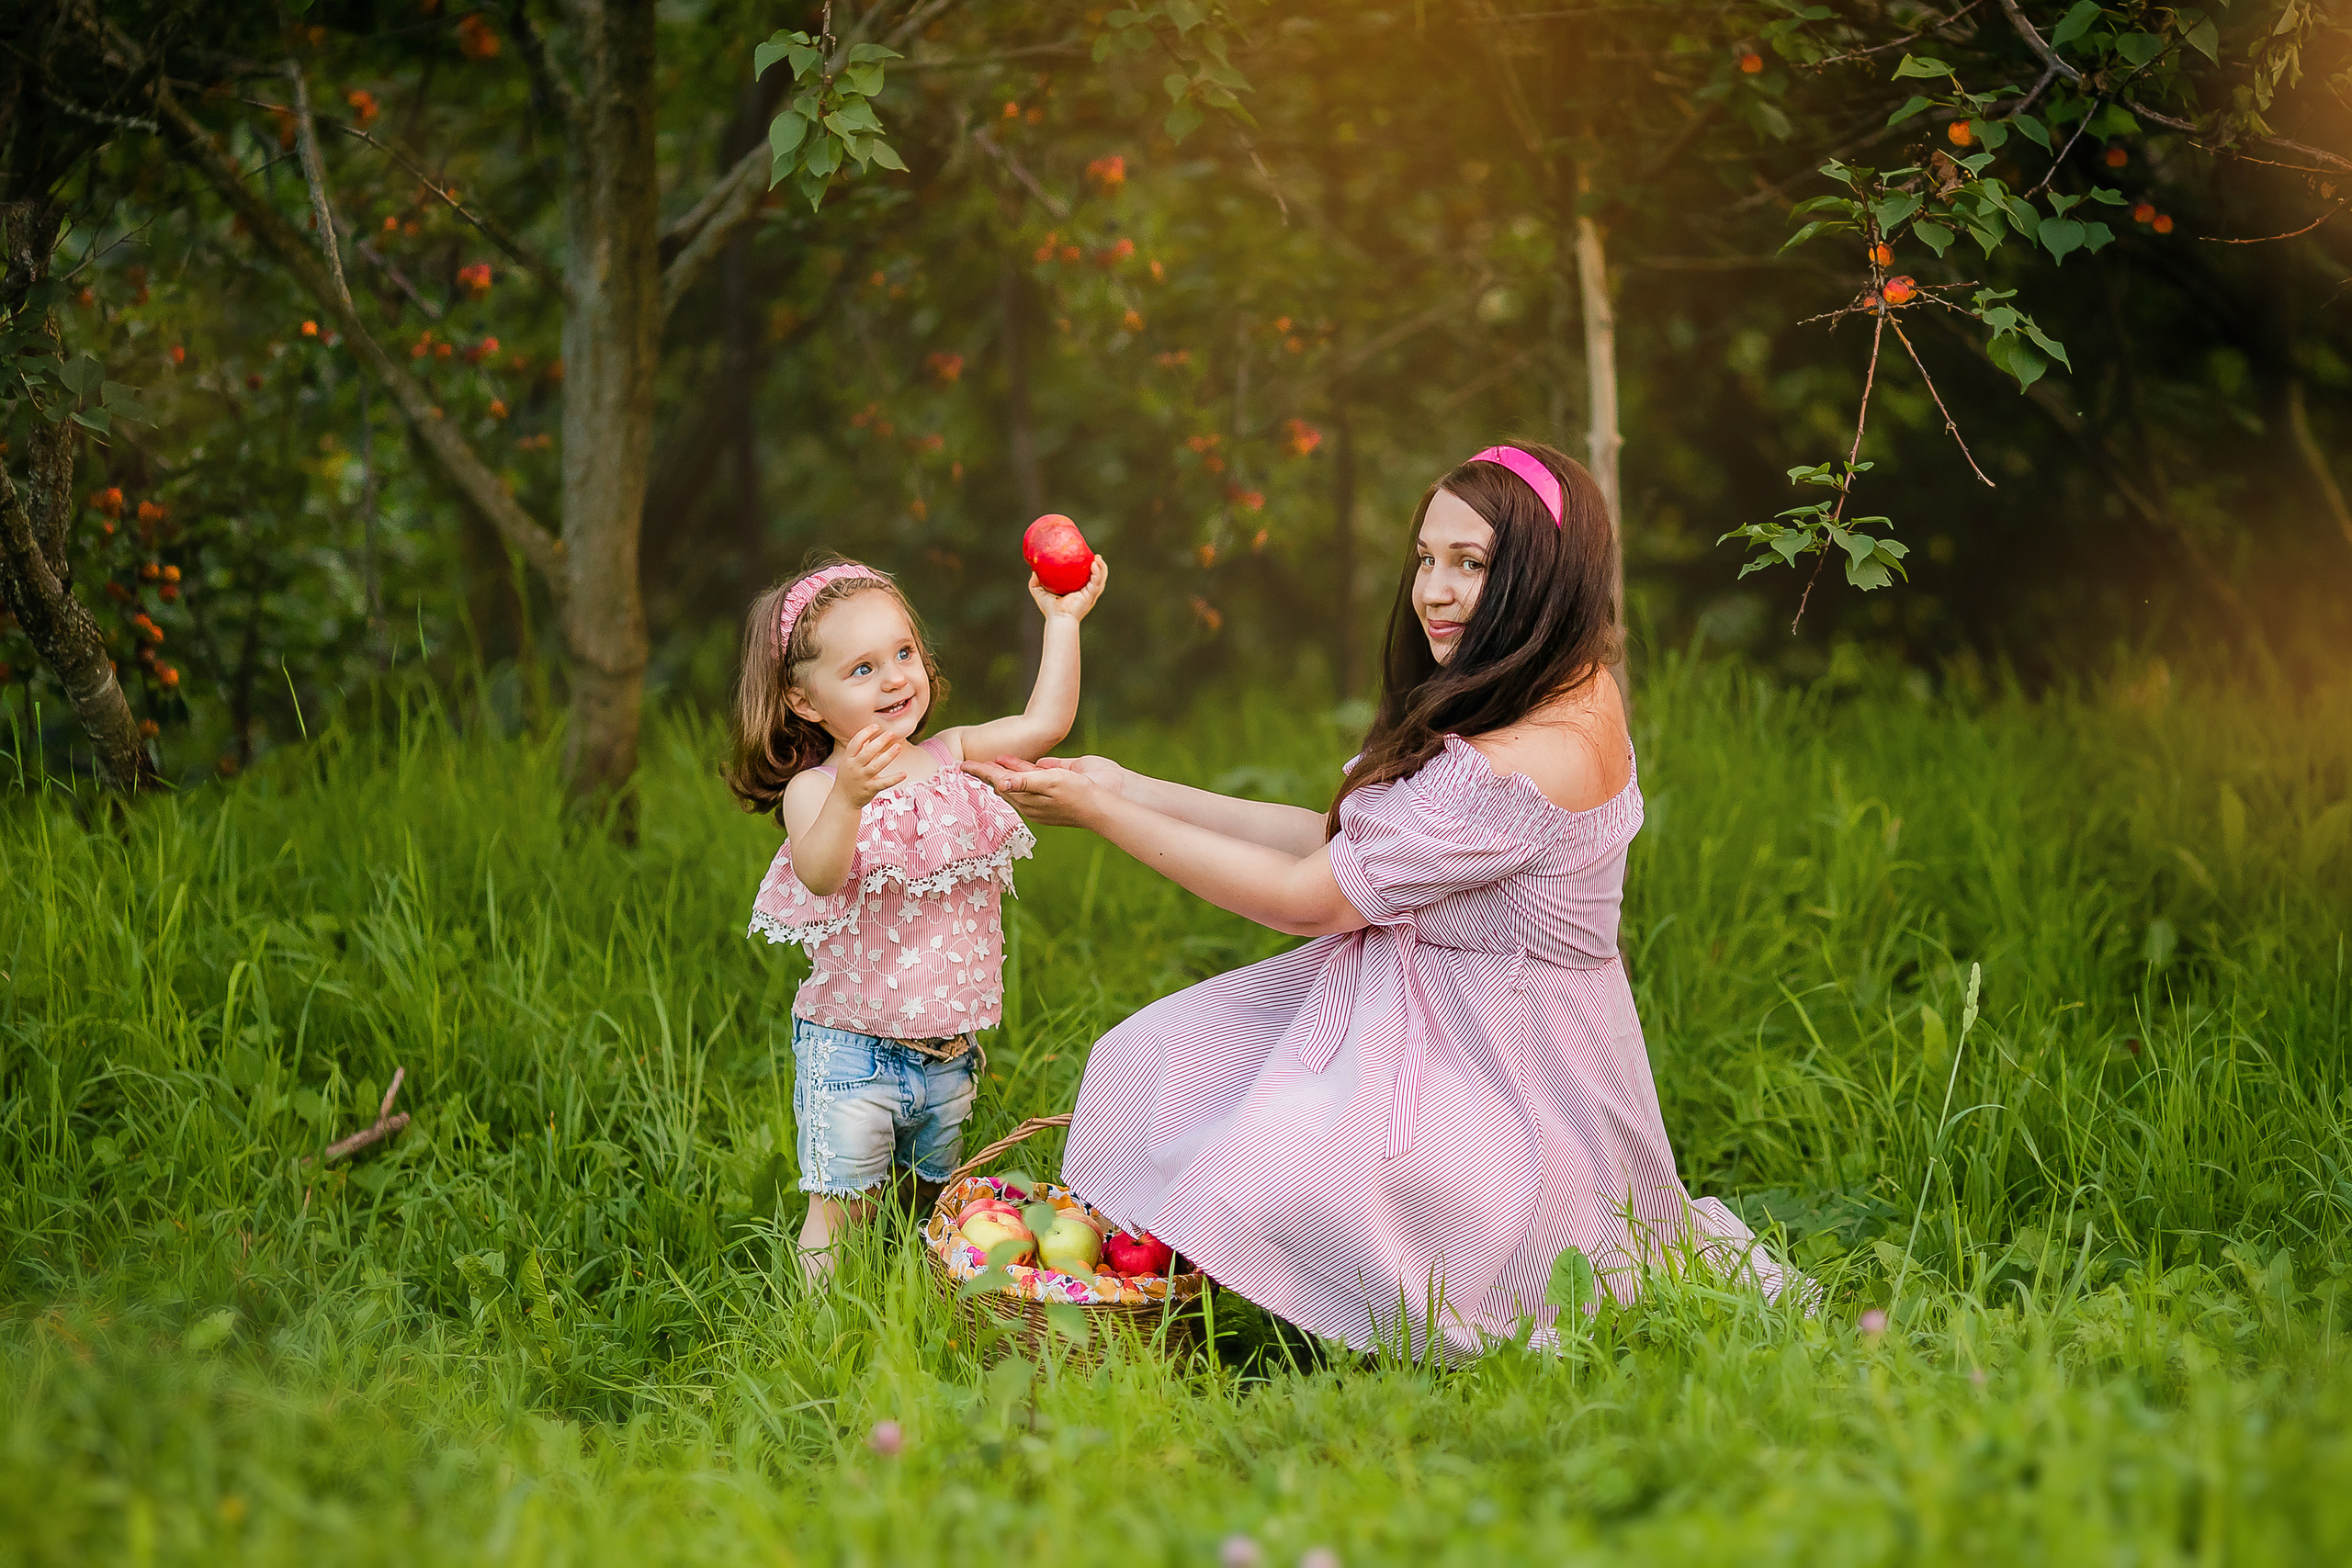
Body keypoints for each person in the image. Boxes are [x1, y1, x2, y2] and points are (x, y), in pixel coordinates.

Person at [968, 444, 1793, 1357]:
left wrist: (1103, 816)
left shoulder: (1517, 764)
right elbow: (1341, 838)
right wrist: (1128, 786)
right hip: (1445, 1008)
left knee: (1276, 1171)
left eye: (1471, 564)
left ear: (1544, 576)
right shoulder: (1553, 687)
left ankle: (1286, 1294)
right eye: (1427, 559)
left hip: (1509, 1070)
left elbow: (1307, 898)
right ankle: (1193, 1263)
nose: (1434, 591)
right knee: (1158, 1054)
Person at [729, 552, 1109, 1280]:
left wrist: (1062, 621)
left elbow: (1045, 723)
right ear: (805, 701)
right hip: (852, 1051)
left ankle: (919, 1304)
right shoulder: (818, 788)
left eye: (904, 653)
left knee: (930, 1208)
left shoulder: (948, 753)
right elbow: (819, 873)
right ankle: (816, 1329)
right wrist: (850, 796)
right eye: (862, 668)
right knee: (840, 1213)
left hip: (947, 1053)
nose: (895, 677)